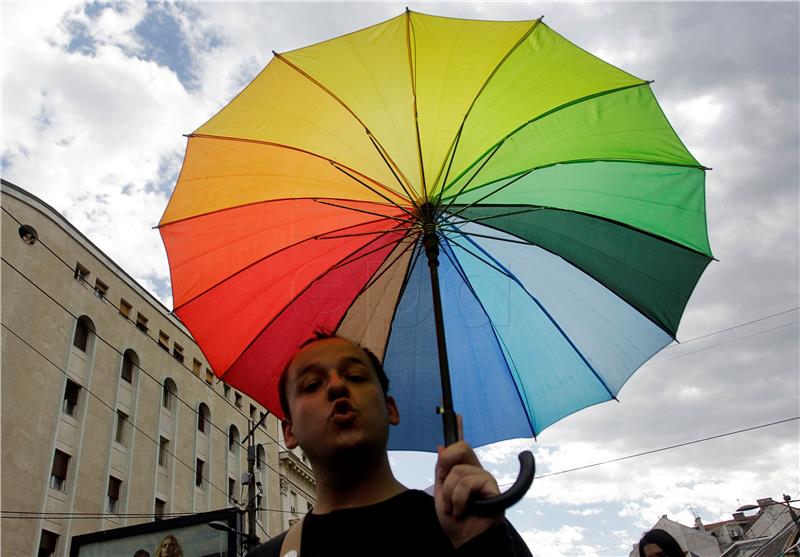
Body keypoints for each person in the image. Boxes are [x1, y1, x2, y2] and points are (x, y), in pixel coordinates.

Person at [247, 332, 532, 557]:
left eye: (355, 376)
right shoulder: (272, 554)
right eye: (311, 384)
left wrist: (481, 547)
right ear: (290, 431)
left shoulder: (477, 525)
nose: (336, 386)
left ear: (390, 409)